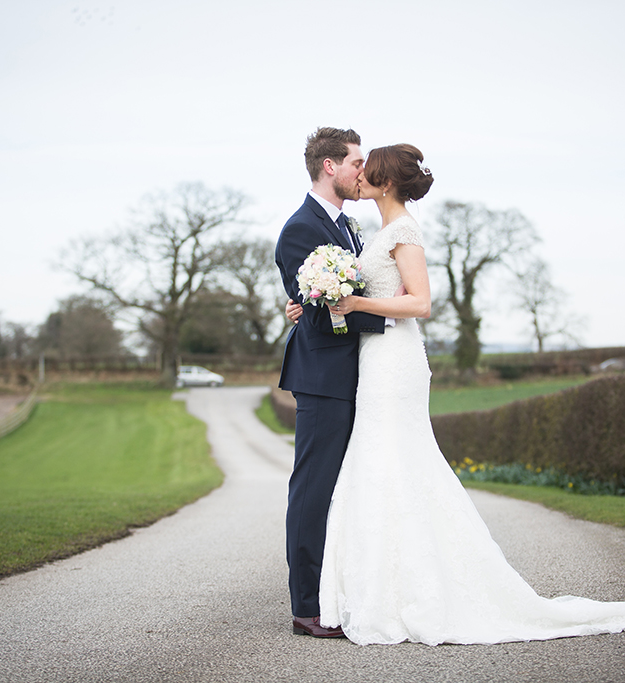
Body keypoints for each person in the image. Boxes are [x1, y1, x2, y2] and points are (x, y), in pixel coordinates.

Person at [288, 143, 625, 645]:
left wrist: (351, 299)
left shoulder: (402, 229)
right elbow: (346, 295)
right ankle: (373, 587)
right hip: (372, 358)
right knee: (378, 465)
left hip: (394, 360)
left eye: (368, 169)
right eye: (356, 166)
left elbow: (420, 302)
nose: (359, 176)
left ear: (385, 182)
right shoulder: (372, 230)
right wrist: (311, 305)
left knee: (393, 460)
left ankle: (407, 588)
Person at [274, 127, 386, 638]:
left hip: (358, 374)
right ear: (330, 166)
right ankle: (306, 608)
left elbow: (333, 300)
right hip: (323, 378)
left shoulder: (349, 227)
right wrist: (389, 315)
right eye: (356, 162)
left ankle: (343, 593)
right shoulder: (300, 230)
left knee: (350, 487)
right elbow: (320, 317)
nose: (362, 171)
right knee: (314, 488)